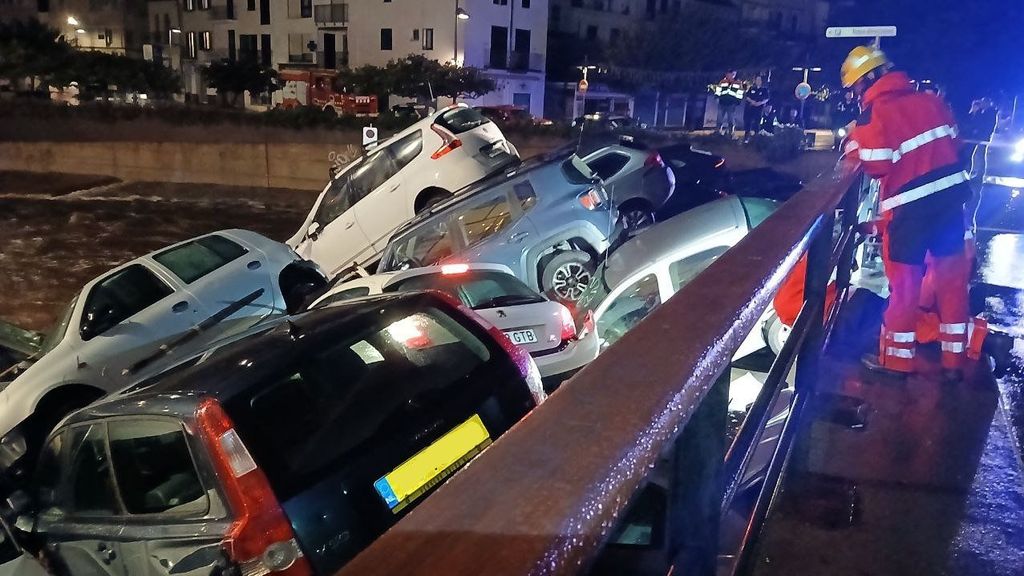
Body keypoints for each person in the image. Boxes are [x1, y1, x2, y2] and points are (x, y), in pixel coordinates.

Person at [840, 45, 972, 381]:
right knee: (952, 282)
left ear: (867, 81)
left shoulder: (874, 115)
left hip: (910, 214)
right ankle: (954, 363)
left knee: (905, 289)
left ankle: (897, 362)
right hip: (950, 204)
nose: (856, 94)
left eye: (856, 87)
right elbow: (954, 143)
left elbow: (878, 164)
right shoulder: (931, 100)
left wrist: (853, 141)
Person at [714, 70, 744, 137]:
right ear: (727, 74)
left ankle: (731, 133)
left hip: (731, 104)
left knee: (731, 119)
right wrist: (717, 98)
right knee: (719, 118)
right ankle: (718, 132)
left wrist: (736, 102)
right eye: (730, 74)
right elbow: (718, 90)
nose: (732, 75)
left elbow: (740, 93)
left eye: (733, 74)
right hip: (722, 103)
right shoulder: (722, 81)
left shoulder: (738, 83)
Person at [743, 75, 770, 142]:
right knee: (748, 122)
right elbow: (747, 96)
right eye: (757, 80)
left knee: (757, 123)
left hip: (759, 109)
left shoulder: (764, 89)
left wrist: (760, 103)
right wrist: (752, 101)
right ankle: (746, 137)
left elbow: (767, 99)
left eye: (759, 80)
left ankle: (756, 137)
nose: (758, 81)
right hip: (750, 108)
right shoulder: (752, 88)